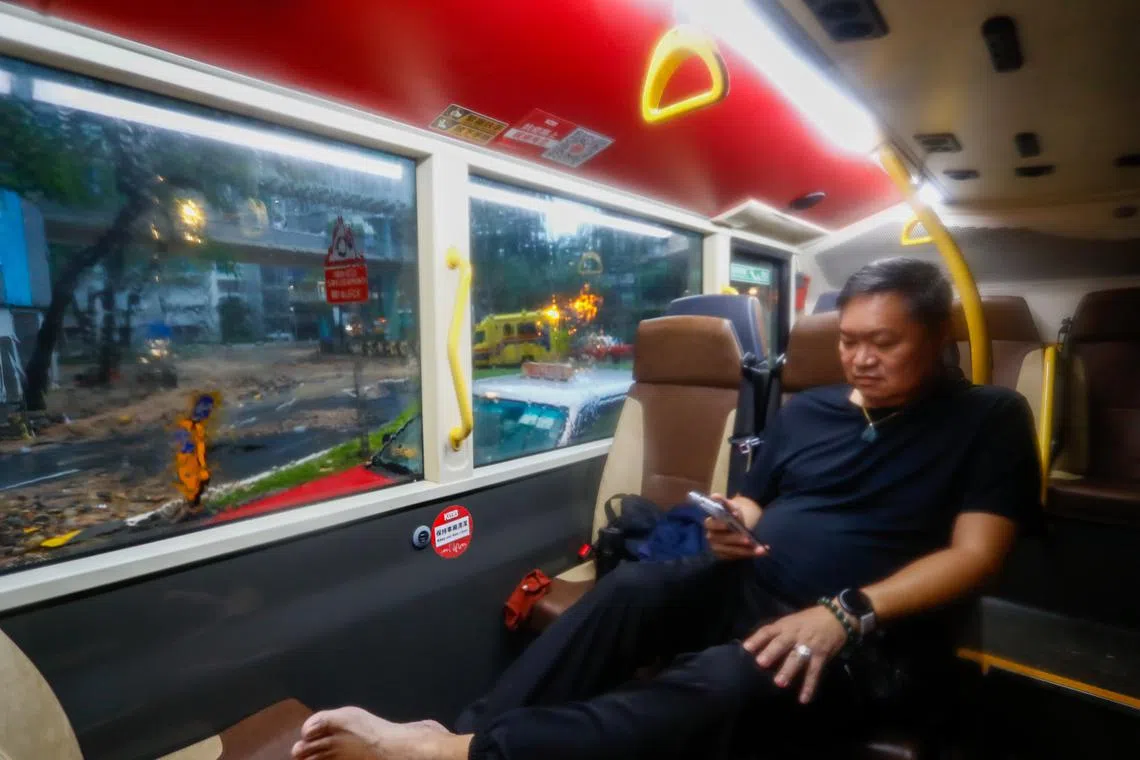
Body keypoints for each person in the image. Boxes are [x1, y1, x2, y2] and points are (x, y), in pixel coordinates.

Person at [291, 258, 1042, 760]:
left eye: (884, 343)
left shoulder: (989, 417)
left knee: (728, 682)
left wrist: (846, 613)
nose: (860, 360)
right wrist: (721, 525)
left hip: (863, 633)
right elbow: (754, 497)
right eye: (848, 342)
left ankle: (458, 753)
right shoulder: (810, 412)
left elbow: (978, 555)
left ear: (940, 336)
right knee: (634, 584)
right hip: (751, 582)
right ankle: (462, 731)